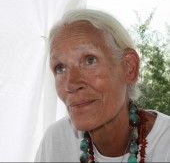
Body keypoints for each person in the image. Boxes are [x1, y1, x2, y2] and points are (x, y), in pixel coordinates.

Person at [34, 9, 170, 162]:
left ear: (129, 67)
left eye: (90, 60)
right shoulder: (55, 141)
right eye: (60, 68)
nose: (71, 84)